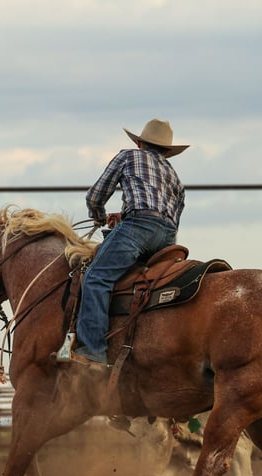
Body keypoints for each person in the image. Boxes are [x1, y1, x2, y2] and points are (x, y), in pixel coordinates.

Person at [65, 118, 189, 373]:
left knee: (96, 278)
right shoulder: (174, 176)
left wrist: (99, 216)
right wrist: (127, 216)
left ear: (140, 143)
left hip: (138, 229)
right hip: (167, 238)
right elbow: (171, 215)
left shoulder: (128, 156)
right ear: (167, 151)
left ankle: (93, 351)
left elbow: (96, 195)